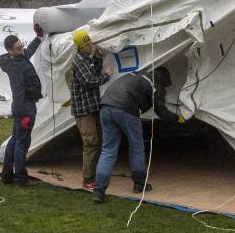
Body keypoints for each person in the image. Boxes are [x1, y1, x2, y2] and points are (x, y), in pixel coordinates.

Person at [92, 65, 178, 204]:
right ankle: (139, 184)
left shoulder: (137, 73)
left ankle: (99, 191)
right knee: (136, 145)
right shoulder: (157, 86)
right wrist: (177, 118)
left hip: (105, 106)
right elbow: (161, 111)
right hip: (126, 108)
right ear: (163, 80)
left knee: (108, 150)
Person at [0, 24, 45, 186]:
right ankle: (21, 178)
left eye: (21, 46)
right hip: (24, 107)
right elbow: (18, 92)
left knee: (14, 141)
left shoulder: (17, 57)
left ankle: (6, 176)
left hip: (22, 106)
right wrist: (23, 113)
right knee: (21, 144)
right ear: (10, 50)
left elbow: (28, 51)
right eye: (18, 48)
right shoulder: (16, 67)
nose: (22, 49)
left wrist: (39, 37)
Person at [69, 29, 114, 192]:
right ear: (81, 47)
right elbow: (89, 81)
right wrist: (107, 75)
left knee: (98, 141)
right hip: (83, 110)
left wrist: (97, 59)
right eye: (88, 44)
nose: (91, 46)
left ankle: (92, 174)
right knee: (91, 143)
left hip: (92, 106)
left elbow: (92, 73)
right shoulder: (79, 61)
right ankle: (88, 179)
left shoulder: (86, 59)